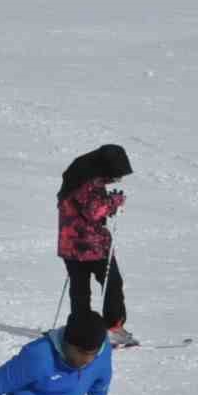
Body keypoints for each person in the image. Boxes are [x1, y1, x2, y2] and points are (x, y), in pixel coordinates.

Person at [58, 143, 135, 348]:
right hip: (89, 245)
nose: (117, 178)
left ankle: (80, 330)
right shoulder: (88, 182)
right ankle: (113, 328)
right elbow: (93, 211)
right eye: (117, 173)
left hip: (71, 244)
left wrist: (107, 201)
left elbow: (87, 208)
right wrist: (114, 202)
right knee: (112, 283)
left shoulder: (78, 176)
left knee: (80, 289)